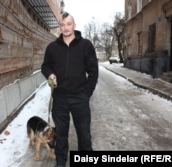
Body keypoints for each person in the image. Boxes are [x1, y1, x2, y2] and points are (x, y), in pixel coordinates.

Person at [41, 12, 99, 167]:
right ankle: (60, 161)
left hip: (80, 96)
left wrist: (87, 93)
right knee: (60, 134)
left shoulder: (86, 45)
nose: (65, 28)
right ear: (59, 27)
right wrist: (50, 74)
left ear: (74, 25)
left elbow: (93, 70)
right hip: (60, 97)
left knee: (84, 135)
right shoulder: (52, 47)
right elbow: (45, 66)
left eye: (68, 24)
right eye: (62, 24)